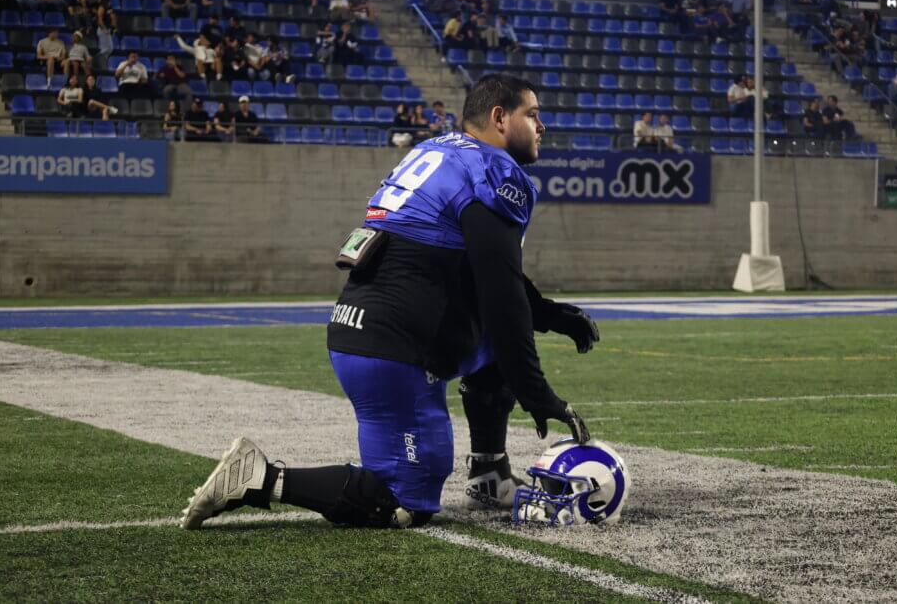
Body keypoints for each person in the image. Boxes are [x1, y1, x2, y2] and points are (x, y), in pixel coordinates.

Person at [180, 73, 596, 532]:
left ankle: (489, 475)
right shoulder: (493, 172)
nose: (543, 127)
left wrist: (550, 314)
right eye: (533, 115)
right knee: (402, 505)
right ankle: (262, 478)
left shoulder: (437, 151)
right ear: (499, 118)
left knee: (490, 351)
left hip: (359, 331)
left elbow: (484, 274)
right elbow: (500, 299)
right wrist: (539, 395)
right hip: (396, 354)